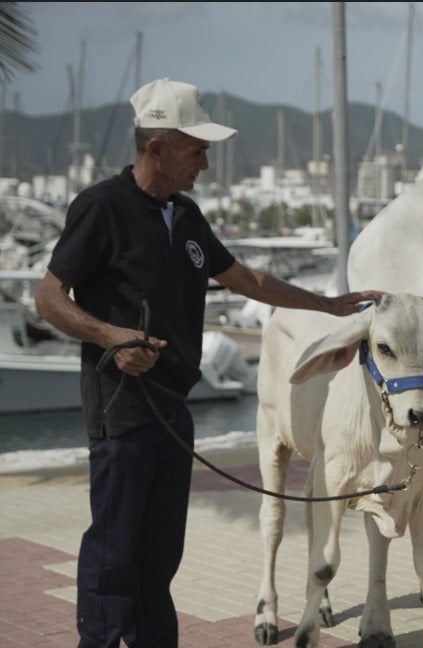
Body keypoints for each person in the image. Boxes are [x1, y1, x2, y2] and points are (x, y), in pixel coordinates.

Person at [32, 78, 383, 648]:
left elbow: (245, 279)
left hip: (175, 414)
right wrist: (113, 338)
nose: (206, 163)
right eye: (197, 149)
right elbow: (48, 298)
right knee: (114, 559)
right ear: (157, 148)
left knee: (159, 561)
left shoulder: (187, 216)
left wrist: (328, 303)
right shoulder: (101, 208)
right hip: (121, 416)